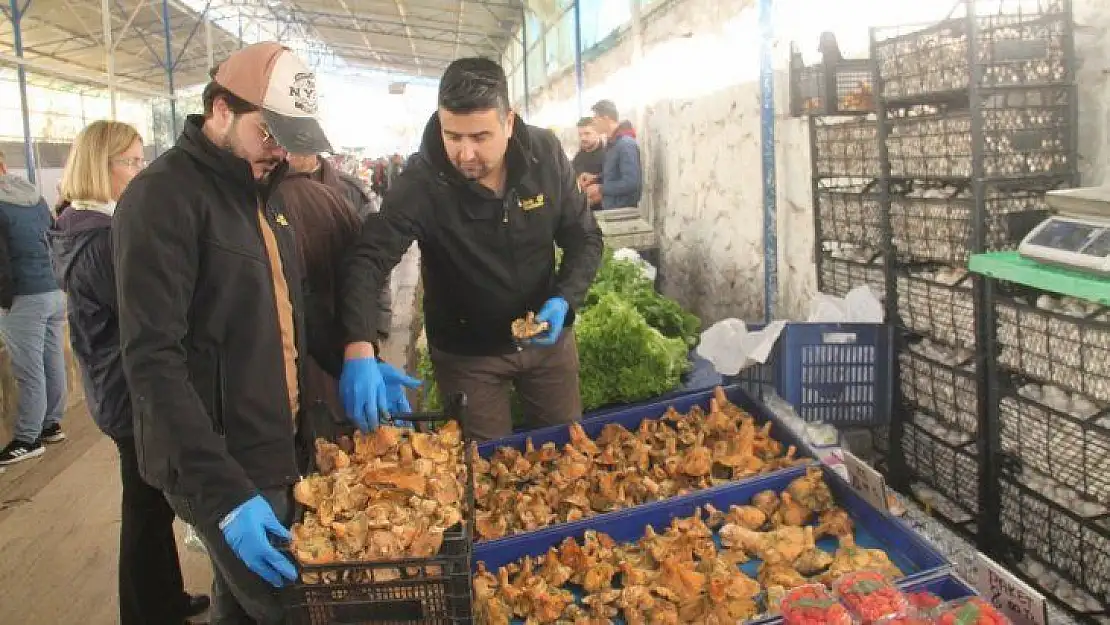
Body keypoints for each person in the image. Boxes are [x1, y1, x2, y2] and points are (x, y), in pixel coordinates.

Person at [112, 42, 412, 623]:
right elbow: (152, 362)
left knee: (242, 602)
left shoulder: (264, 198)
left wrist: (353, 355)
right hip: (220, 458)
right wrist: (223, 495)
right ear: (221, 110)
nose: (280, 153)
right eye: (269, 133)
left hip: (278, 443)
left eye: (289, 139)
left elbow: (293, 309)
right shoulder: (162, 199)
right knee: (300, 608)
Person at [338, 57, 604, 442]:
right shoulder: (422, 182)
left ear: (508, 122)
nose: (465, 154)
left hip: (547, 344)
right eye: (453, 136)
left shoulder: (543, 156)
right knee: (483, 469)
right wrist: (359, 347)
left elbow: (585, 237)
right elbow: (368, 259)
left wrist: (565, 300)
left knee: (565, 451)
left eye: (480, 137)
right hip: (468, 356)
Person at [48, 120, 210, 625]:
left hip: (114, 387)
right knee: (144, 509)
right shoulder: (99, 240)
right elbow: (147, 311)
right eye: (132, 162)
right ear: (102, 165)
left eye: (142, 160)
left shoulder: (83, 225)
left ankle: (164, 598)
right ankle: (145, 611)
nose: (140, 171)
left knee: (152, 505)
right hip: (127, 393)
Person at [0, 148, 68, 465]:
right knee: (51, 359)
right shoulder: (32, 195)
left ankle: (27, 438)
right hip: (53, 289)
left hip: (23, 296)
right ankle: (51, 423)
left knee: (28, 370)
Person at [588, 99, 643, 210]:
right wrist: (596, 178)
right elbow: (615, 173)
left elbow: (631, 183)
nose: (593, 123)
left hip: (623, 213)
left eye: (595, 118)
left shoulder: (625, 144)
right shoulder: (612, 143)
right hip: (613, 210)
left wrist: (600, 188)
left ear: (606, 119)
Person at [571, 117, 605, 210]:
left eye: (587, 133)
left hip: (604, 210)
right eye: (580, 134)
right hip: (581, 211)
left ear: (598, 133)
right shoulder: (578, 157)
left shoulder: (608, 155)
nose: (583, 138)